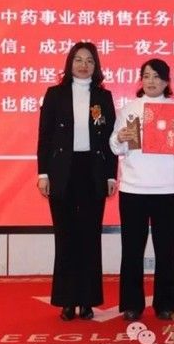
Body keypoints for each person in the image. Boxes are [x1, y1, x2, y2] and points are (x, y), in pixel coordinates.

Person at [36, 42, 117, 320]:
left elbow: (109, 140)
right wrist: (43, 174)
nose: (84, 65)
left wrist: (111, 174)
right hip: (62, 171)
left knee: (90, 237)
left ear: (96, 66)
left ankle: (88, 301)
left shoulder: (103, 97)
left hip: (93, 171)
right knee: (65, 236)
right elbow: (44, 136)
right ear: (70, 63)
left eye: (90, 61)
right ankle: (66, 301)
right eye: (79, 60)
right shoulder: (55, 94)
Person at [110, 59, 174, 321]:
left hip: (167, 189)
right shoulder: (129, 109)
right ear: (141, 80)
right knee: (132, 249)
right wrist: (120, 138)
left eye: (157, 77)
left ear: (167, 82)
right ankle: (132, 304)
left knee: (166, 249)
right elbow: (115, 147)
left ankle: (165, 304)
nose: (151, 81)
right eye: (146, 76)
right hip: (133, 188)